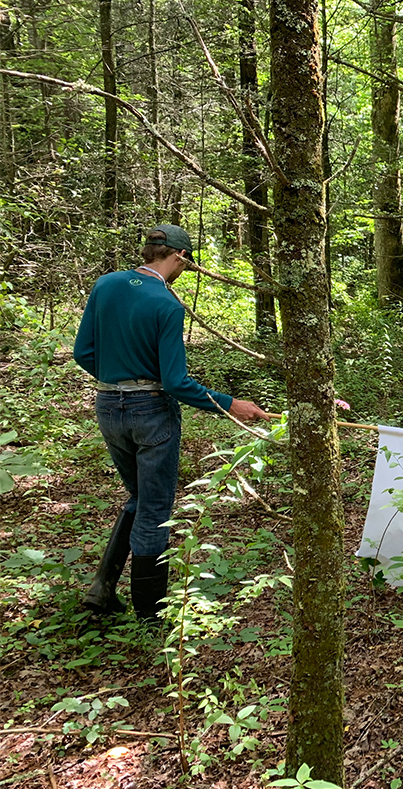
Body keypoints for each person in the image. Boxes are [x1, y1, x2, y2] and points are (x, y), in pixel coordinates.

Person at [73, 224, 269, 621]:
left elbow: (83, 352)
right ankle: (150, 616)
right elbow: (176, 382)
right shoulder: (166, 305)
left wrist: (117, 376)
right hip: (151, 411)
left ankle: (101, 590)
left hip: (108, 406)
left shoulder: (105, 285)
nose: (184, 270)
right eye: (187, 263)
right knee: (155, 509)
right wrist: (232, 405)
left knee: (139, 497)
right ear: (178, 256)